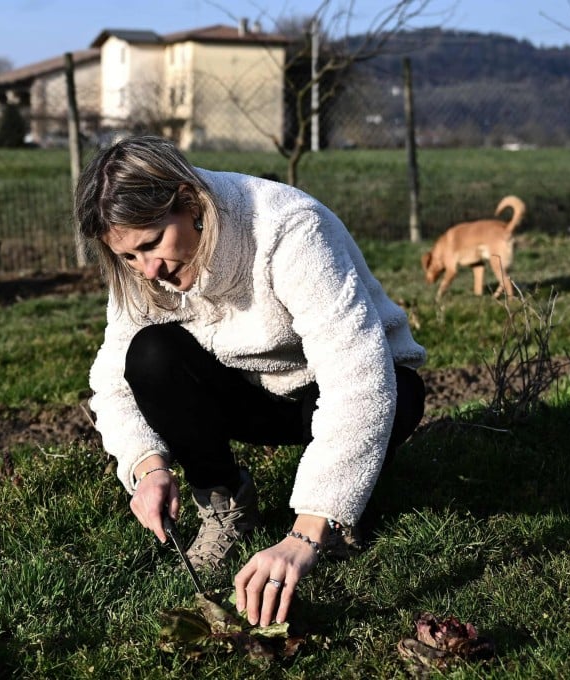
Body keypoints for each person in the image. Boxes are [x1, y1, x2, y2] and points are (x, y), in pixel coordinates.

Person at [75, 136, 427, 628]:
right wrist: (147, 466)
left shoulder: (289, 228)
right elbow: (112, 377)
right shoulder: (145, 271)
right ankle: (226, 505)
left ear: (191, 201)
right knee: (150, 355)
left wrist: (305, 534)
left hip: (332, 389)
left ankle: (339, 515)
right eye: (131, 257)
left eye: (153, 244)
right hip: (250, 394)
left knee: (400, 392)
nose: (149, 270)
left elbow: (358, 377)